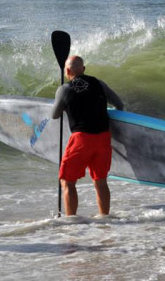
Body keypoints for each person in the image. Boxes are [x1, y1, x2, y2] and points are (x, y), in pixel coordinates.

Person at [51, 55, 124, 216]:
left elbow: (54, 115)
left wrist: (64, 103)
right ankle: (104, 218)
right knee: (101, 182)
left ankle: (71, 221)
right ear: (83, 69)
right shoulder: (99, 84)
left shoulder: (64, 89)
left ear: (67, 71)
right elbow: (119, 105)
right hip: (103, 138)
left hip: (81, 140)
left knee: (68, 182)